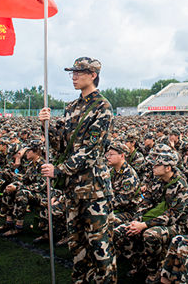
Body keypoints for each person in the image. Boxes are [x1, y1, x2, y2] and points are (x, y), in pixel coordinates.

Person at [38, 57, 116, 284]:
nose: (74, 77)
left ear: (93, 75)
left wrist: (59, 171)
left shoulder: (103, 107)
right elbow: (62, 145)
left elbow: (91, 150)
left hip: (94, 190)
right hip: (74, 189)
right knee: (77, 245)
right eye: (72, 73)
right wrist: (46, 125)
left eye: (79, 72)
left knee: (99, 247)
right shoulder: (72, 107)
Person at [115, 144, 188, 282]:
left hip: (177, 224)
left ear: (168, 168)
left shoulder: (181, 187)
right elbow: (146, 201)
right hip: (153, 218)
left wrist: (144, 225)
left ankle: (154, 270)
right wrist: (137, 220)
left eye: (157, 166)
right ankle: (138, 264)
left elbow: (172, 216)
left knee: (151, 234)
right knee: (125, 230)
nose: (153, 168)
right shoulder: (157, 180)